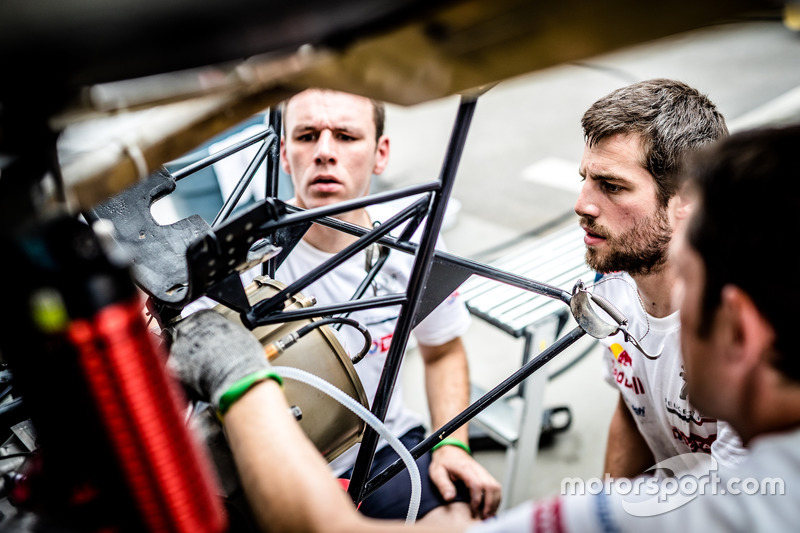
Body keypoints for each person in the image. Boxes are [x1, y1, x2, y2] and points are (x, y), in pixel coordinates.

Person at [168, 124, 800, 532]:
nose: (582, 203)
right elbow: (629, 415)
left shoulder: (728, 503)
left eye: (688, 287)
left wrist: (238, 379)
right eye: (306, 135)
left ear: (741, 328)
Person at [196, 88, 501, 524]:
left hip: (381, 445)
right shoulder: (240, 255)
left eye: (344, 136)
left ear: (380, 154)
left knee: (460, 522)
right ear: (284, 154)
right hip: (269, 463)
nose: (324, 152)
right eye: (306, 136)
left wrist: (453, 445)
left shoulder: (413, 239)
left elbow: (444, 351)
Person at [574, 78, 746, 477]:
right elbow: (634, 406)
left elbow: (729, 507)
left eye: (612, 187)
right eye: (583, 179)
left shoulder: (740, 332)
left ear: (686, 198)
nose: (582, 204)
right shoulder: (614, 285)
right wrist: (609, 501)